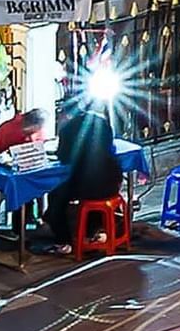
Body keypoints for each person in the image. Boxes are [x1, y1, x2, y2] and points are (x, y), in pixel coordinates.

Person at [44, 100, 122, 256]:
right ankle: (95, 230)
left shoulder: (67, 129)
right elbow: (110, 146)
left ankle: (63, 242)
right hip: (113, 180)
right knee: (89, 191)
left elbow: (64, 157)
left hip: (87, 185)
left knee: (55, 196)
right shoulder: (102, 122)